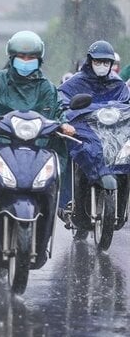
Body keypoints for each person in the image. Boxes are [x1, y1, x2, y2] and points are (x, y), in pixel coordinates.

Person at [0, 30, 76, 223]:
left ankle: (44, 222)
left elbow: (58, 111)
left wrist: (64, 124)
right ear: (12, 58)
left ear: (39, 60)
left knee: (48, 182)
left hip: (36, 148)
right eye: (21, 56)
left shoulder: (46, 87)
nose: (26, 61)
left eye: (31, 57)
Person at [57, 40, 130, 218]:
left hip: (112, 133)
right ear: (90, 61)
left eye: (106, 62)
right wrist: (69, 114)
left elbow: (126, 104)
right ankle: (67, 201)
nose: (102, 65)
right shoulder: (76, 82)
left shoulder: (117, 83)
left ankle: (123, 207)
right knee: (70, 151)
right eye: (98, 61)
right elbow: (61, 99)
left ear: (112, 64)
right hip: (85, 131)